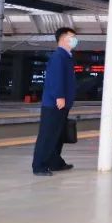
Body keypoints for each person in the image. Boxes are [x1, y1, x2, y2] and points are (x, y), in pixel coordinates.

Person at [32, 26, 78, 176]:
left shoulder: (66, 56)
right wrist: (59, 96)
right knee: (48, 135)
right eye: (72, 37)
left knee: (57, 135)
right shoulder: (59, 56)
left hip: (61, 103)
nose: (75, 40)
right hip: (54, 103)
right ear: (63, 39)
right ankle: (39, 166)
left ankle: (55, 162)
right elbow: (56, 78)